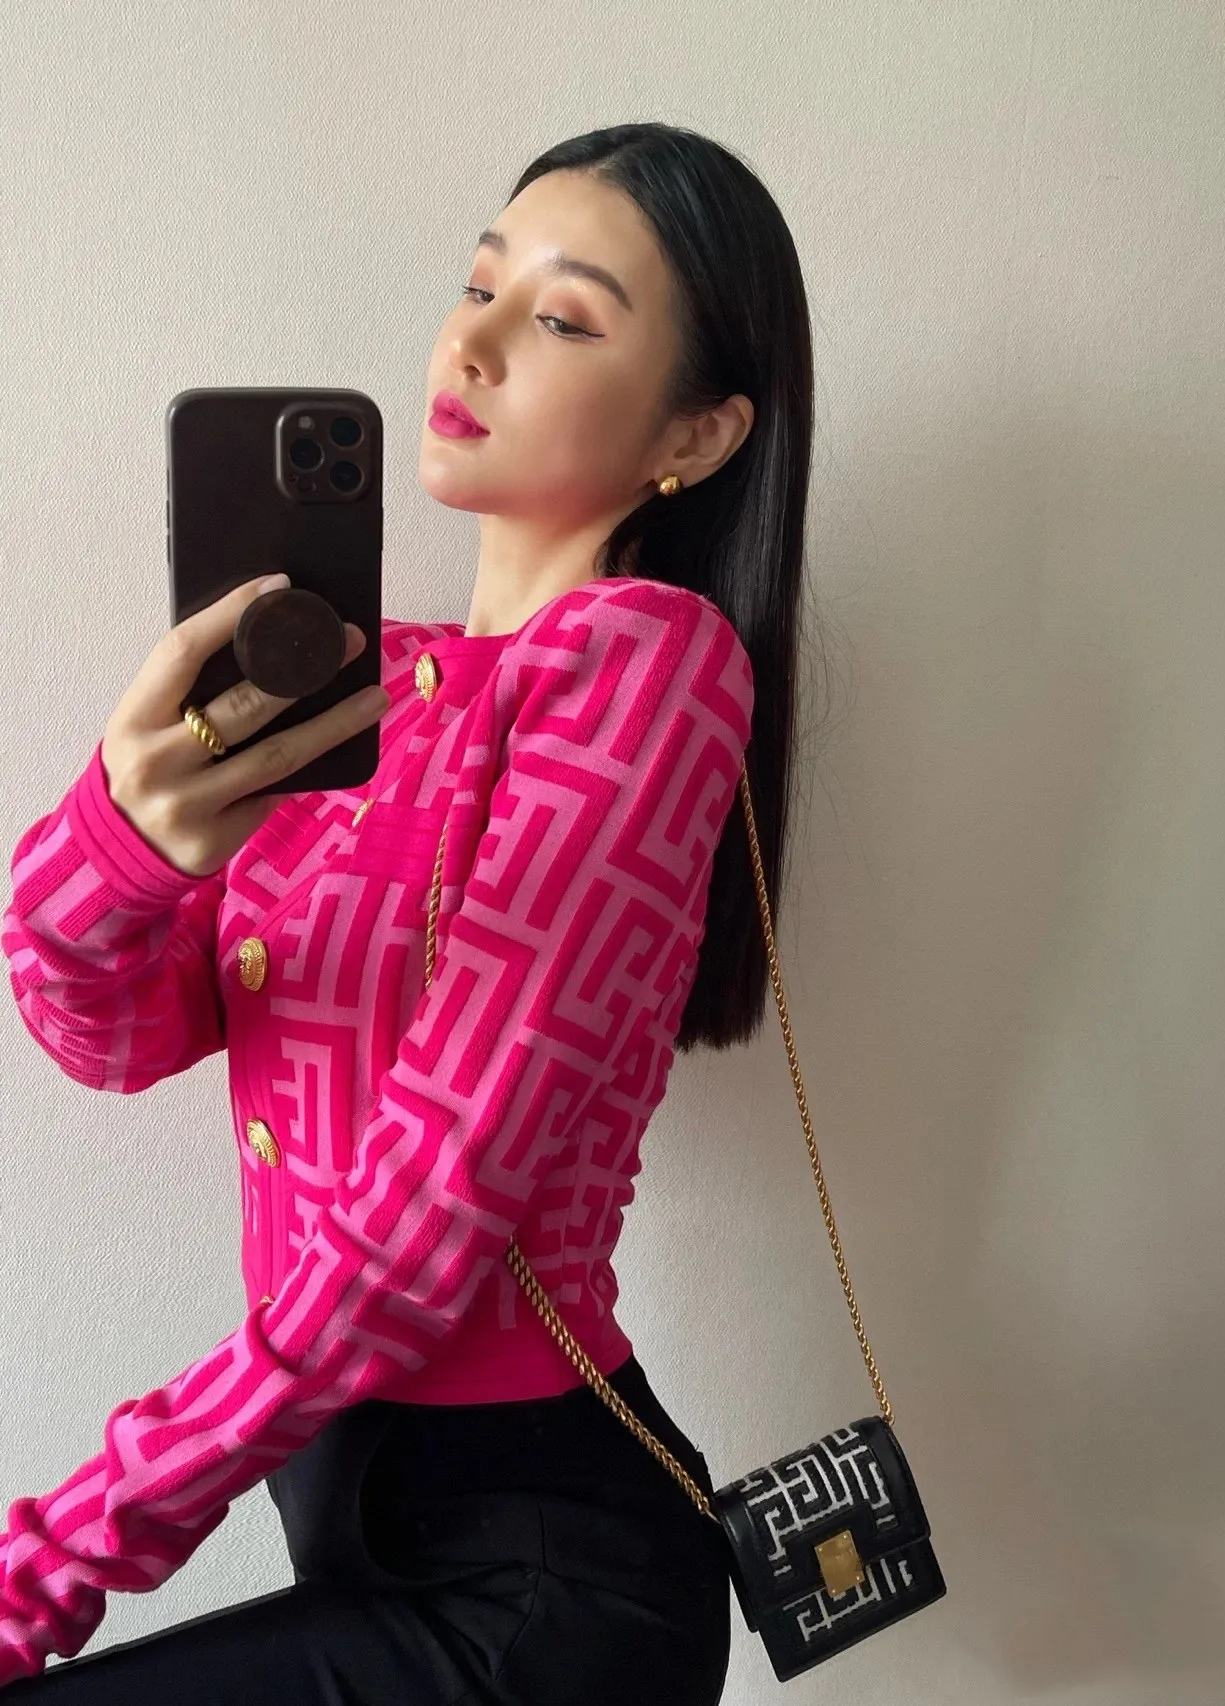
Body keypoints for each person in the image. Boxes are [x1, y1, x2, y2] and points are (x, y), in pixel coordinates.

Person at [0, 120, 813, 1702]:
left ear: (700, 432)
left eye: (562, 318)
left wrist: (55, 1558)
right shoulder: (361, 689)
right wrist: (124, 837)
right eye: (480, 284)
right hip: (362, 1525)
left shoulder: (649, 669)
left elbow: (426, 1216)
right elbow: (109, 1034)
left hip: (545, 1579)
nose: (474, 341)